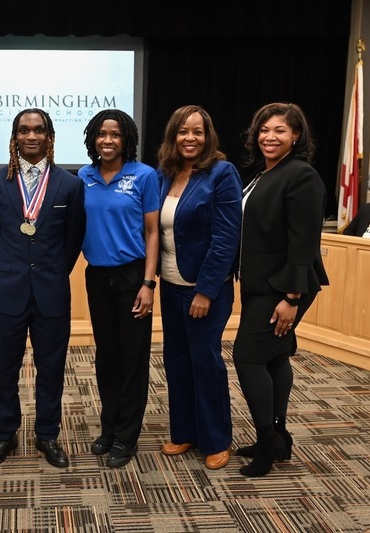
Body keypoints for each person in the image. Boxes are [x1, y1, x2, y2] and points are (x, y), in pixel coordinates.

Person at [0, 108, 86, 469]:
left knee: (51, 367)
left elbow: (73, 241)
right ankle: (5, 434)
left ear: (50, 136)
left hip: (52, 290)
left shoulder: (69, 185)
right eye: (24, 130)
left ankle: (47, 434)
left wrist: (51, 272)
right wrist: (11, 270)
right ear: (15, 137)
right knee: (5, 367)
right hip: (8, 289)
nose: (32, 136)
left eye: (39, 130)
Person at [233, 103, 329, 477]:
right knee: (274, 358)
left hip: (284, 287)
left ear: (296, 136)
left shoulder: (301, 176)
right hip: (261, 283)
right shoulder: (264, 173)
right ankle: (278, 436)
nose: (270, 137)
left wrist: (291, 298)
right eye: (264, 130)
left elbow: (304, 241)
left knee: (248, 357)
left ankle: (268, 443)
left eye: (280, 131)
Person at [155, 105, 242, 470]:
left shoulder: (222, 173)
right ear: (173, 135)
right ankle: (186, 431)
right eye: (183, 131)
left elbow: (226, 237)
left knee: (206, 363)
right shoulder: (165, 174)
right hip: (171, 284)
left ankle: (217, 438)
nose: (190, 138)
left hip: (205, 289)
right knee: (176, 361)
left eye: (198, 132)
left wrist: (205, 290)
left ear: (208, 137)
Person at [78, 109, 160, 468]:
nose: (107, 140)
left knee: (133, 358)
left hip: (133, 278)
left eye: (115, 134)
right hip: (96, 277)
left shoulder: (144, 176)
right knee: (106, 357)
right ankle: (109, 428)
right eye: (101, 134)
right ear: (92, 139)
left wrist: (148, 282)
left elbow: (153, 232)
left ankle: (128, 436)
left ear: (126, 138)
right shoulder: (83, 176)